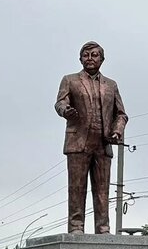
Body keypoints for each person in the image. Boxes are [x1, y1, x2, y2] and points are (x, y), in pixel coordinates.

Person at [55, 41, 129, 234]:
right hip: (78, 141)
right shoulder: (70, 80)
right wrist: (65, 111)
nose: (90, 59)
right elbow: (60, 103)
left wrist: (117, 131)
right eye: (86, 55)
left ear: (102, 59)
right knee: (77, 188)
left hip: (103, 144)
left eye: (94, 55)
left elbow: (121, 114)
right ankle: (76, 227)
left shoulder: (111, 85)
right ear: (80, 59)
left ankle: (103, 228)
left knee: (102, 190)